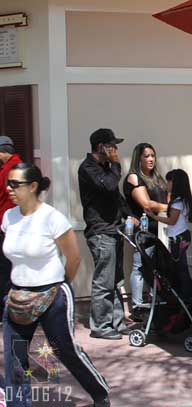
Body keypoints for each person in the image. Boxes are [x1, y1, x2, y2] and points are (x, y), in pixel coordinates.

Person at [3, 163, 111, 407]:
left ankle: (100, 393)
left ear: (32, 187)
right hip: (18, 298)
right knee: (14, 357)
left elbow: (73, 258)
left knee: (64, 350)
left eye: (15, 184)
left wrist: (59, 286)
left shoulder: (52, 218)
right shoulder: (9, 218)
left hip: (52, 295)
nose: (9, 188)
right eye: (7, 183)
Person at [78, 128, 132, 340]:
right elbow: (110, 186)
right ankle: (100, 325)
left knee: (116, 280)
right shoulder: (88, 168)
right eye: (112, 145)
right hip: (100, 232)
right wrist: (116, 164)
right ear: (100, 147)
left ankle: (116, 322)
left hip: (114, 229)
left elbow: (116, 197)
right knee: (104, 280)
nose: (115, 150)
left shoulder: (105, 167)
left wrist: (130, 215)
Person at [123, 143, 168, 320]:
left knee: (157, 268)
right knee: (140, 266)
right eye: (146, 156)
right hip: (144, 231)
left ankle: (154, 301)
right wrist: (172, 207)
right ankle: (137, 306)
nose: (150, 159)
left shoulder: (157, 177)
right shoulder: (134, 178)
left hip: (162, 230)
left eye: (152, 155)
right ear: (138, 158)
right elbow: (147, 205)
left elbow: (167, 195)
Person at [146, 169, 192, 304]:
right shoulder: (184, 200)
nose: (167, 184)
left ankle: (190, 293)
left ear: (175, 183)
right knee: (179, 266)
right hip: (181, 235)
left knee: (180, 267)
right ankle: (190, 292)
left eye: (169, 181)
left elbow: (172, 221)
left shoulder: (177, 202)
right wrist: (191, 216)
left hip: (178, 238)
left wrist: (154, 216)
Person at [0, 136, 22, 318]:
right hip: (9, 222)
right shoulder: (14, 167)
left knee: (6, 270)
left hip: (8, 225)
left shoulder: (11, 169)